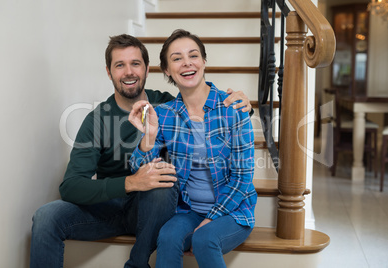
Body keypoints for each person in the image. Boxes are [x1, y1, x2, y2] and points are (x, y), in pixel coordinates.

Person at [30, 33, 252, 268]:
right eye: (120, 65)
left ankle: (137, 263)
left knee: (162, 180)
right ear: (109, 72)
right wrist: (131, 182)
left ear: (147, 69)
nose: (128, 72)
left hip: (156, 206)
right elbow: (71, 187)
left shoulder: (166, 107)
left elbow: (201, 102)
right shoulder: (98, 119)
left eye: (135, 64)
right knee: (46, 216)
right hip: (108, 207)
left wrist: (243, 107)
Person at [129, 29, 257, 268]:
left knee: (204, 239)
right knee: (167, 236)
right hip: (190, 210)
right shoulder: (165, 114)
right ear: (167, 70)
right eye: (177, 58)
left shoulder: (233, 107)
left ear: (204, 61)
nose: (187, 62)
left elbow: (243, 178)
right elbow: (138, 167)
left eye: (193, 55)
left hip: (233, 212)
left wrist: (213, 217)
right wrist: (150, 135)